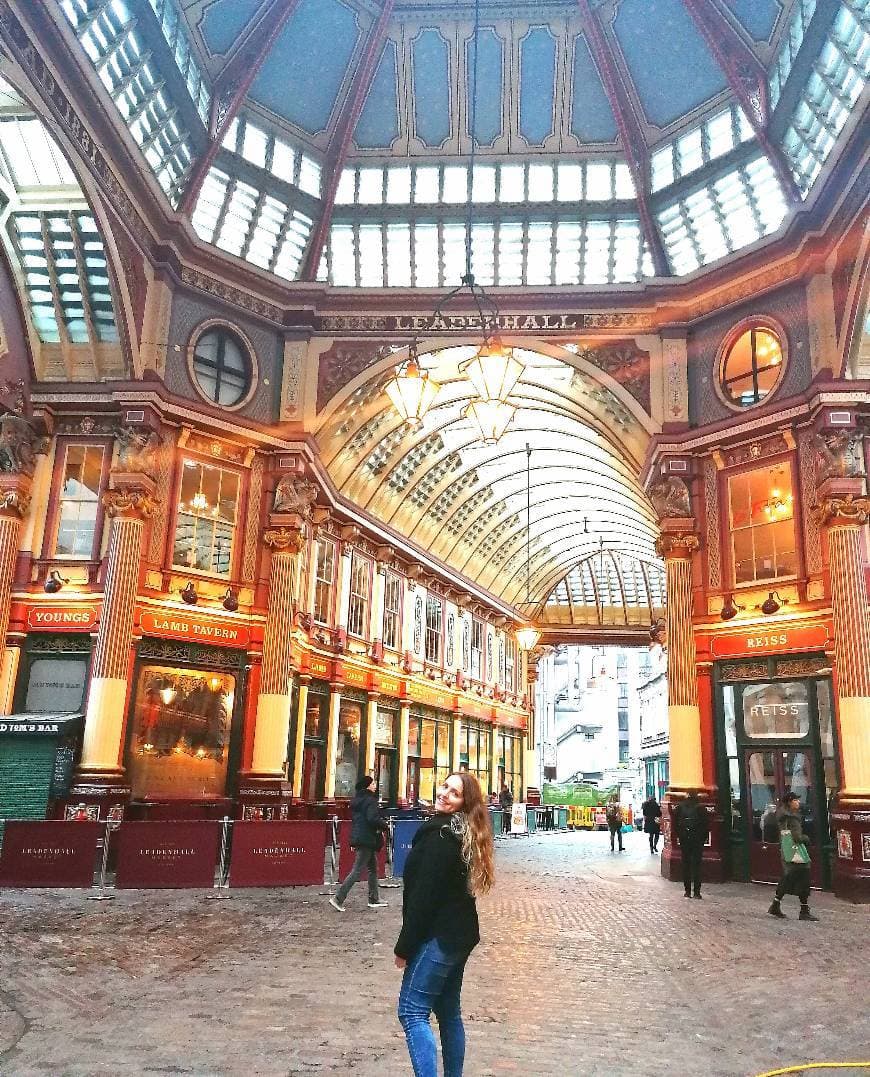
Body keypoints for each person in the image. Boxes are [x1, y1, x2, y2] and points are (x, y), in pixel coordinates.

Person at [395, 772, 495, 1077]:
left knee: (412, 1011)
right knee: (449, 1012)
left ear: (465, 803)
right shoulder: (461, 831)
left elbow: (423, 897)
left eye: (454, 793)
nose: (444, 794)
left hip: (439, 936)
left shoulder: (439, 836)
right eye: (445, 787)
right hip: (459, 934)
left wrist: (404, 947)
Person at [329, 775, 388, 912]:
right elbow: (372, 818)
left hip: (360, 836)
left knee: (373, 869)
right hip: (367, 838)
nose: (375, 786)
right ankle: (338, 898)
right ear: (368, 785)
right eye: (373, 783)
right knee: (357, 870)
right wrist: (384, 825)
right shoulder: (370, 801)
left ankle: (374, 899)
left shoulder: (357, 800)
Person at [768, 791, 819, 921]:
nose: (798, 802)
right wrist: (806, 838)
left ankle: (776, 904)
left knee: (788, 877)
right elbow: (797, 837)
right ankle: (804, 910)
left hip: (787, 851)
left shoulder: (781, 816)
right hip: (796, 852)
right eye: (796, 800)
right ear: (790, 802)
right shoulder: (793, 818)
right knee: (803, 878)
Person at [673, 789, 710, 898]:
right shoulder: (700, 807)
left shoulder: (680, 807)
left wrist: (681, 836)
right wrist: (702, 839)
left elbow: (675, 824)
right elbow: (705, 825)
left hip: (685, 839)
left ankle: (687, 891)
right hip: (697, 840)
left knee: (686, 864)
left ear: (687, 795)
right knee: (697, 865)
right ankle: (697, 892)